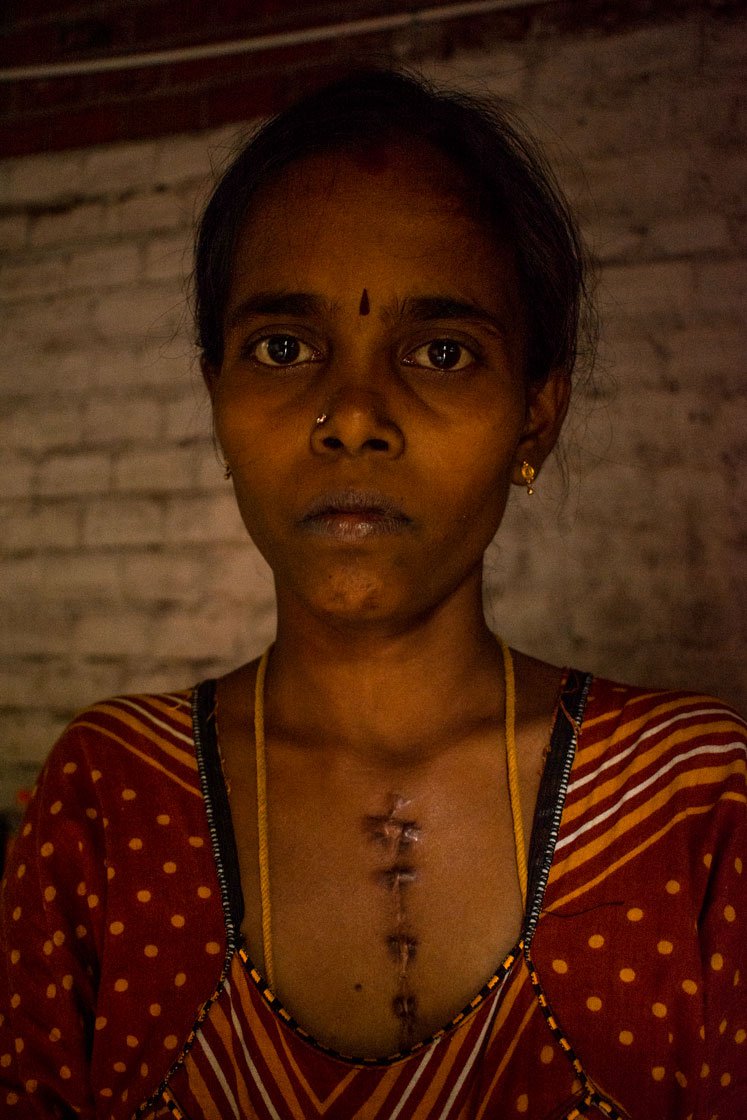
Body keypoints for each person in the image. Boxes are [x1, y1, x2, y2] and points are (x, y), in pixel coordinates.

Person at [1, 69, 744, 1120]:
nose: (353, 417)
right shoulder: (109, 802)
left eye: (440, 352)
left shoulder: (693, 805)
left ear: (536, 414)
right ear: (218, 395)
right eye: (285, 348)